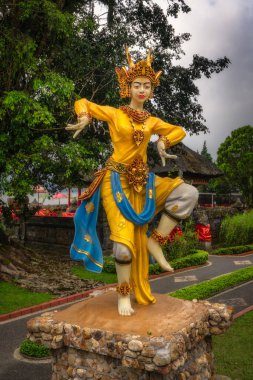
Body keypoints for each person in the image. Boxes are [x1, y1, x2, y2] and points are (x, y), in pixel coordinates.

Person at [66, 48, 198, 316]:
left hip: (144, 181)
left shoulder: (151, 120)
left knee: (188, 194)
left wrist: (162, 140)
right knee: (123, 249)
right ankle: (123, 295)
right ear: (127, 87)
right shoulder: (116, 114)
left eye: (146, 86)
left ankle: (155, 241)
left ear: (151, 91)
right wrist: (84, 116)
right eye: (136, 84)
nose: (141, 89)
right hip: (115, 181)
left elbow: (179, 130)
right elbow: (83, 101)